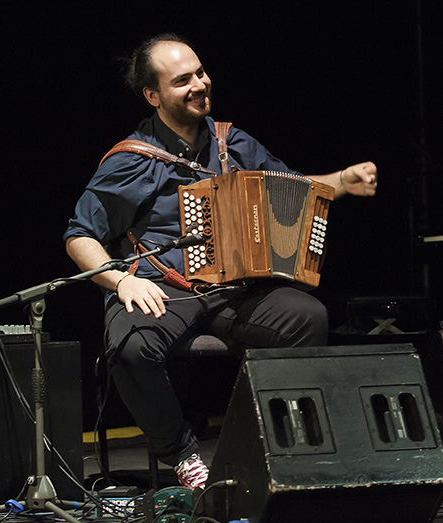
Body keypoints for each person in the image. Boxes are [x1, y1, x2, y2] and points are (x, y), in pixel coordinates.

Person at [64, 33, 377, 490]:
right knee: (131, 349)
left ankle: (270, 443)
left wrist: (342, 181)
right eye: (182, 80)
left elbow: (291, 185)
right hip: (163, 285)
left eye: (201, 73)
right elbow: (80, 235)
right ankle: (184, 456)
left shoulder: (231, 141)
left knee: (306, 318)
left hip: (235, 287)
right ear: (153, 95)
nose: (199, 84)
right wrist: (119, 283)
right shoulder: (132, 160)